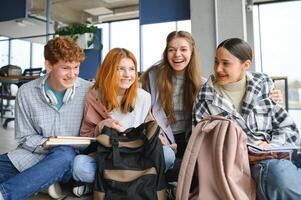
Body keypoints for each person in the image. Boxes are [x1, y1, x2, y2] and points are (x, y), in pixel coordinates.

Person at [193, 37, 301, 200]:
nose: (218, 68)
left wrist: (271, 145)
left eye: (225, 63)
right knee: (280, 176)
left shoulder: (263, 85)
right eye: (216, 62)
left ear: (245, 65)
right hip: (237, 165)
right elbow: (200, 143)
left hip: (272, 153)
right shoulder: (205, 97)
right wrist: (242, 150)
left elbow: (288, 128)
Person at [72, 47, 175, 197]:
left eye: (132, 69)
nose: (128, 75)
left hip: (137, 155)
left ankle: (104, 185)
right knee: (79, 165)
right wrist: (103, 126)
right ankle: (142, 183)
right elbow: (85, 136)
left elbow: (152, 129)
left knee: (168, 155)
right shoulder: (95, 96)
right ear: (108, 71)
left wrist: (161, 141)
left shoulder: (143, 97)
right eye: (121, 69)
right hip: (109, 157)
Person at [0, 37, 91, 200]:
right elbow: (24, 137)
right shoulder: (26, 92)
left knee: (64, 154)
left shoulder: (88, 91)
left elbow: (92, 134)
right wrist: (45, 143)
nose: (72, 74)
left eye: (76, 67)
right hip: (32, 155)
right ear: (49, 65)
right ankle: (44, 181)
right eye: (65, 68)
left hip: (68, 158)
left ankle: (5, 194)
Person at [141, 31, 202, 159]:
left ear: (192, 52)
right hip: (159, 136)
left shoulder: (202, 84)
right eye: (171, 50)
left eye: (183, 49)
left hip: (190, 139)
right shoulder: (152, 77)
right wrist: (158, 136)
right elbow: (145, 113)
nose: (177, 55)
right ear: (166, 52)